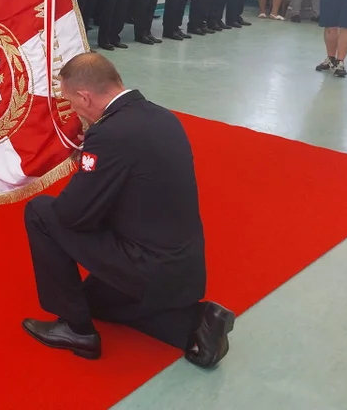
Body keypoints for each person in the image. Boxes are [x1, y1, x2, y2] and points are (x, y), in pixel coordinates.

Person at [21, 53, 235, 367]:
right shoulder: (162, 116)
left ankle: (76, 330)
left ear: (85, 96)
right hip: (182, 266)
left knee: (41, 211)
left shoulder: (109, 134)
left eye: (71, 101)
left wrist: (85, 162)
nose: (73, 110)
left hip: (147, 264)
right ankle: (197, 324)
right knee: (93, 300)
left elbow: (71, 215)